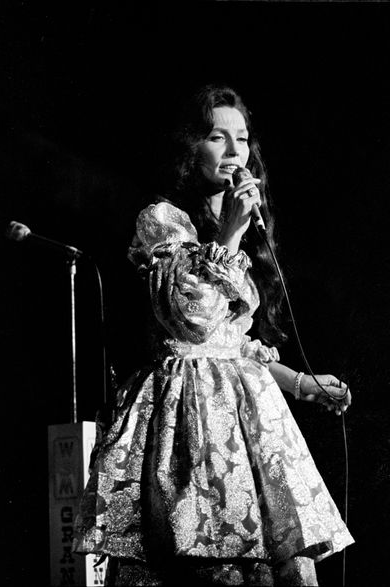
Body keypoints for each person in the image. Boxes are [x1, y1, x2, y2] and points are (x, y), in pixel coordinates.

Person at [72, 84, 354, 586]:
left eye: (241, 139)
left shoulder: (239, 231)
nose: (233, 152)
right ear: (190, 148)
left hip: (247, 421)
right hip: (188, 416)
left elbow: (235, 341)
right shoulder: (164, 221)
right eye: (216, 137)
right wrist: (228, 236)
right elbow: (190, 318)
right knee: (204, 559)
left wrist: (302, 383)